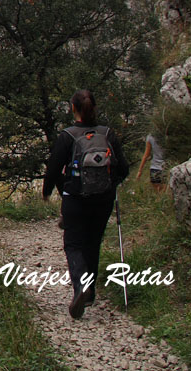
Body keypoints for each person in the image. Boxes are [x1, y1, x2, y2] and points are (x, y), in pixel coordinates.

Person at [42, 89, 129, 319]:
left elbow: (52, 169)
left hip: (76, 199)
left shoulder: (68, 136)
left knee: (73, 244)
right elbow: (123, 168)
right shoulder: (107, 133)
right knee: (93, 243)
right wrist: (112, 184)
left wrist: (47, 192)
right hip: (104, 198)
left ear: (73, 109)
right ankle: (89, 295)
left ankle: (81, 286)